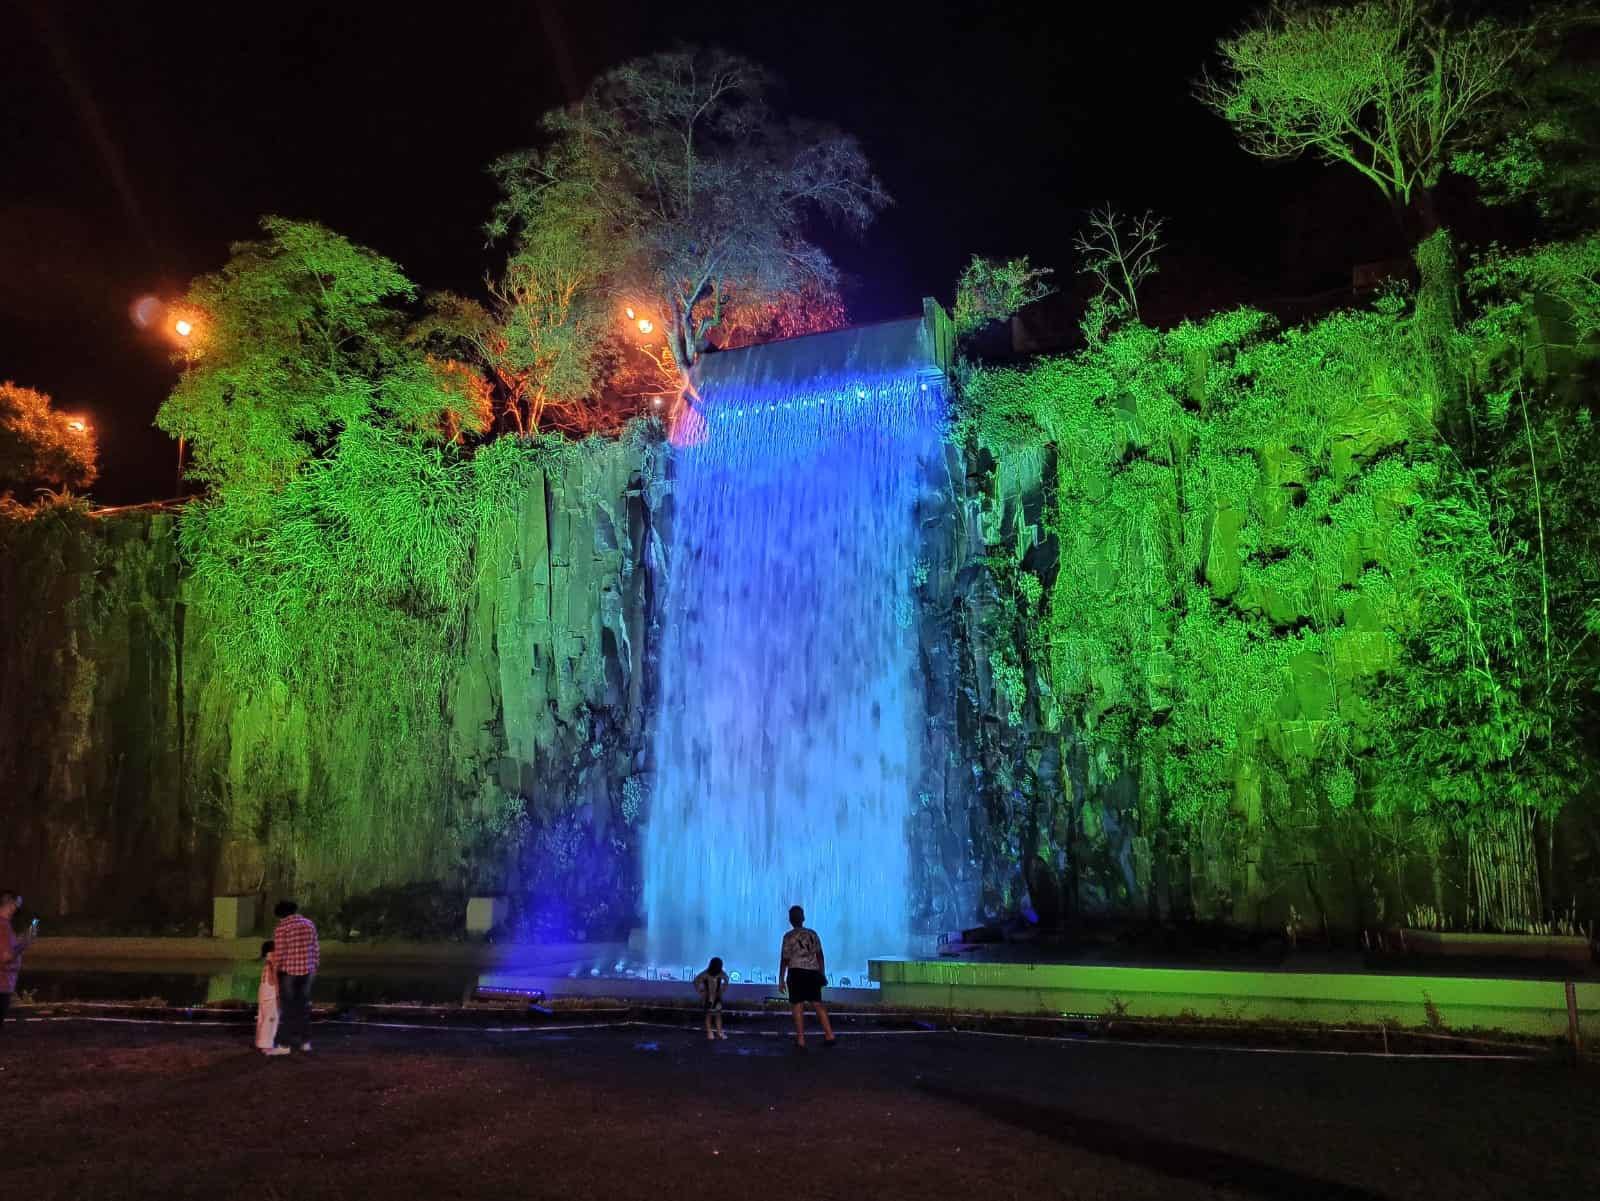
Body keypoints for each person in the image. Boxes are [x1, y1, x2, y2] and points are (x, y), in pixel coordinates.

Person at [778, 905, 835, 1050]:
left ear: (790, 920)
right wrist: (822, 973)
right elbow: (820, 955)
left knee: (797, 1005)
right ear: (803, 918)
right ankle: (829, 1035)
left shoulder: (788, 936)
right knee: (817, 1003)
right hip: (812, 972)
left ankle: (801, 1040)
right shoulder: (812, 934)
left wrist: (781, 979)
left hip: (796, 972)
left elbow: (784, 959)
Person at [268, 900, 319, 1056]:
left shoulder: (282, 927)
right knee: (303, 1007)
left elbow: (280, 954)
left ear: (281, 914)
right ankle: (305, 1042)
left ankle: (284, 1045)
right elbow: (315, 947)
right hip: (308, 972)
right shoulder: (309, 924)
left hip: (289, 973)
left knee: (288, 1009)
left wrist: (273, 973)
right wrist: (314, 967)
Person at [0, 892, 37, 1031]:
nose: (17, 909)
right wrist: (25, 943)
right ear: (9, 903)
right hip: (2, 985)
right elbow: (6, 957)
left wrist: (22, 939)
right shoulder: (2, 926)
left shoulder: (5, 926)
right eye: (17, 905)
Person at [692, 956, 730, 1041]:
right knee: (708, 1015)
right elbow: (695, 981)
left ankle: (720, 1032)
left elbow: (727, 979)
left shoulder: (721, 973)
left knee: (718, 1015)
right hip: (707, 998)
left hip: (717, 997)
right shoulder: (705, 973)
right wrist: (701, 991)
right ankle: (709, 1032)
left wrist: (723, 989)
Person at [254, 941, 279, 1053]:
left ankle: (261, 1043)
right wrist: (278, 994)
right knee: (270, 1019)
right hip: (270, 995)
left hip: (264, 993)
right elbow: (273, 981)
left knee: (263, 1018)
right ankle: (266, 1045)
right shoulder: (272, 963)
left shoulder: (266, 963)